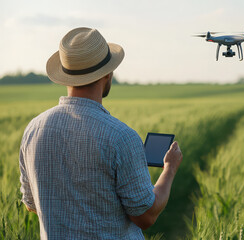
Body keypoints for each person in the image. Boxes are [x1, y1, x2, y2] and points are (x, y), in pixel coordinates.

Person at [19, 27, 182, 239]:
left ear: (66, 75)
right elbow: (146, 216)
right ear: (107, 73)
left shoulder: (33, 130)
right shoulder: (121, 137)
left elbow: (31, 204)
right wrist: (169, 169)